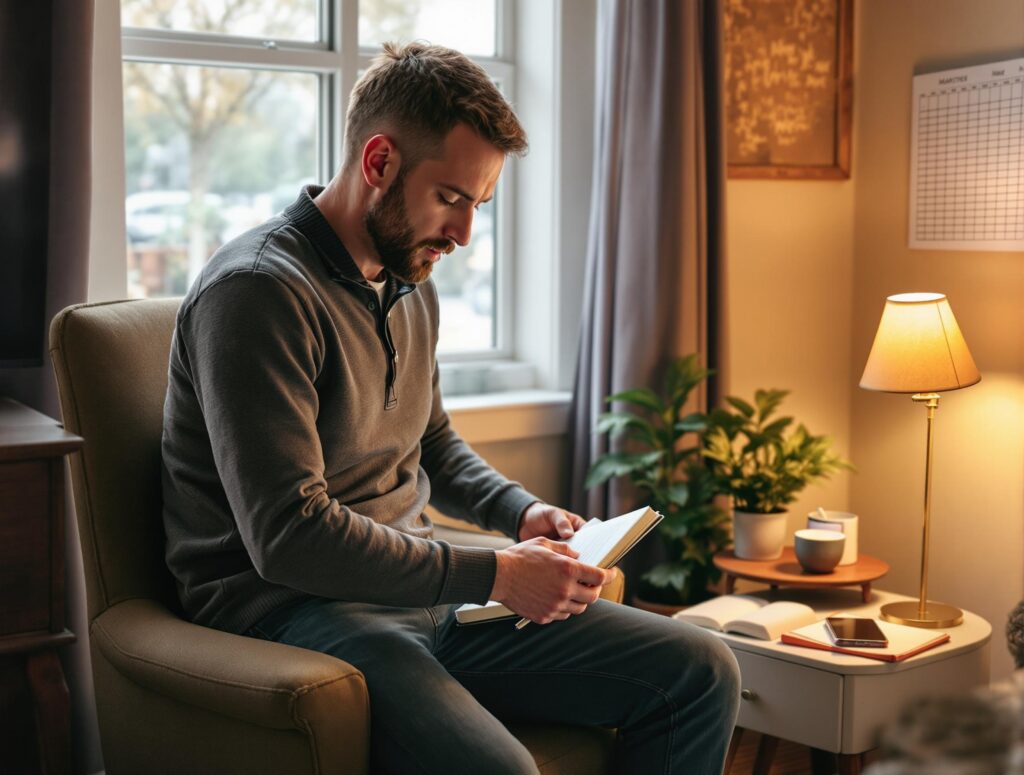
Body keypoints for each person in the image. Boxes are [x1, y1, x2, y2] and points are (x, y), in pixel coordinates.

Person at [162, 42, 740, 774]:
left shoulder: (408, 278)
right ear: (378, 163)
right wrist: (496, 573)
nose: (465, 234)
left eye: (479, 205)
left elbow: (430, 440)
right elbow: (289, 536)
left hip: (421, 600)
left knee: (702, 670)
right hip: (292, 609)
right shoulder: (256, 293)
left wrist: (520, 514)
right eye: (452, 198)